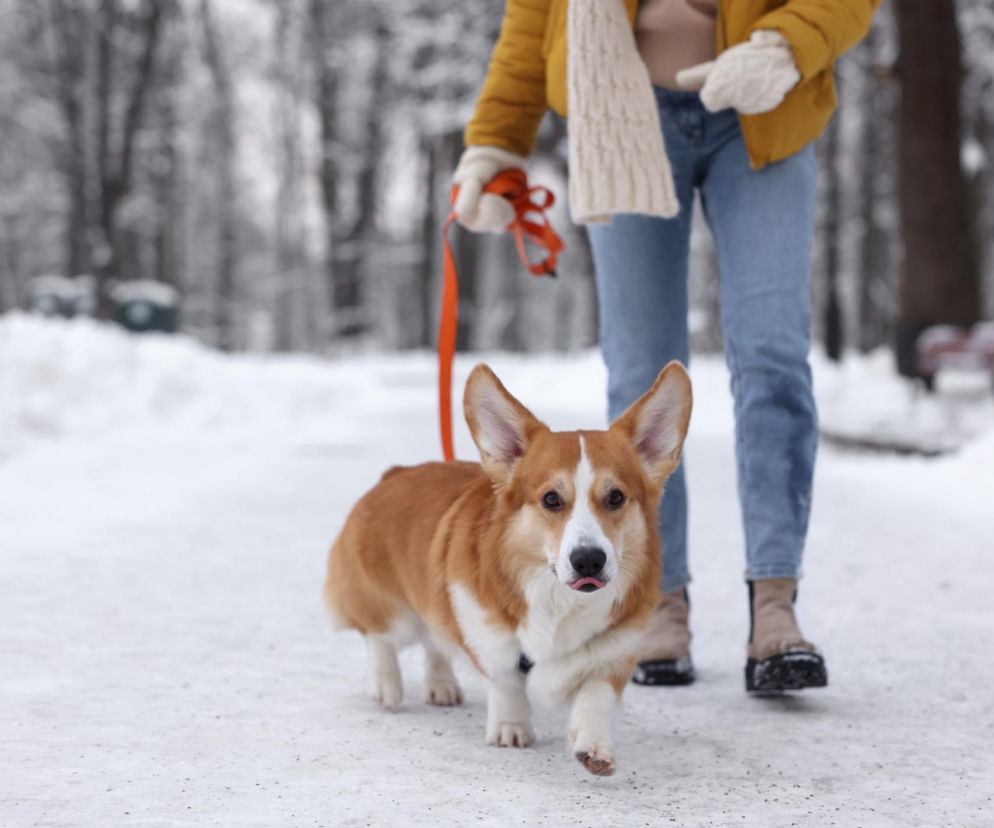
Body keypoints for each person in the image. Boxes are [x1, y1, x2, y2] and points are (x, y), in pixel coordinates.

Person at [452, 0, 881, 692]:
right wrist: (495, 144)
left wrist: (784, 46)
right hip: (619, 106)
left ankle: (774, 605)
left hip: (764, 106)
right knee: (640, 374)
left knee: (772, 357)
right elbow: (535, 12)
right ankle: (656, 604)